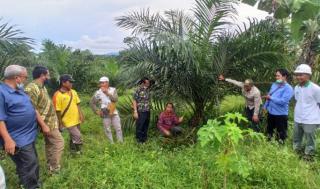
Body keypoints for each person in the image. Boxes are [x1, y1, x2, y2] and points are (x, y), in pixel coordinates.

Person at [0, 65, 40, 188]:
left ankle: (28, 183)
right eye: (25, 77)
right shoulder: (1, 93)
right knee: (29, 164)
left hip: (28, 136)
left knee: (29, 164)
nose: (25, 80)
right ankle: (32, 186)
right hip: (17, 139)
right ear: (17, 78)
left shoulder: (19, 90)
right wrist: (8, 140)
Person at [25, 66, 64, 173]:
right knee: (59, 143)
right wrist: (43, 125)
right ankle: (54, 168)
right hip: (46, 123)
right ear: (42, 75)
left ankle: (50, 165)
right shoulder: (31, 88)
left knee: (50, 144)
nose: (49, 77)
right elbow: (32, 109)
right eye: (48, 75)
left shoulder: (42, 87)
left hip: (51, 121)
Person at [292, 64, 320, 161]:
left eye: (301, 75)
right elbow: (297, 101)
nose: (298, 77)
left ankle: (308, 155)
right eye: (297, 75)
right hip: (298, 117)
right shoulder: (296, 88)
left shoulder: (315, 89)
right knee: (296, 136)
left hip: (310, 119)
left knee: (310, 139)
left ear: (308, 75)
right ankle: (296, 151)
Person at [53, 74, 84, 154]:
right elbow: (57, 111)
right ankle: (78, 151)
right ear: (63, 83)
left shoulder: (73, 92)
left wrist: (81, 114)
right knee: (78, 136)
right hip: (67, 121)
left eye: (72, 82)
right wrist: (60, 123)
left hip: (76, 119)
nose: (71, 84)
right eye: (69, 82)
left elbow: (77, 104)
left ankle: (72, 150)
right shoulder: (57, 95)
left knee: (73, 136)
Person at [263, 69, 293, 143]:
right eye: (276, 76)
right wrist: (265, 106)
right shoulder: (274, 85)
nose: (276, 77)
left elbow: (283, 101)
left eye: (278, 76)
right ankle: (268, 144)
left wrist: (271, 98)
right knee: (269, 131)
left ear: (284, 76)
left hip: (281, 114)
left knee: (281, 133)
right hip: (271, 112)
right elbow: (268, 95)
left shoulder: (288, 88)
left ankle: (280, 146)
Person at [90, 76, 123, 143]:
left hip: (113, 110)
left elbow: (115, 99)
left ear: (107, 83)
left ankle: (120, 143)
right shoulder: (98, 92)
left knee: (118, 128)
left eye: (103, 83)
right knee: (107, 129)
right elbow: (92, 103)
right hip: (104, 111)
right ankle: (111, 143)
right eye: (100, 83)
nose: (101, 84)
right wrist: (96, 111)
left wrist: (107, 93)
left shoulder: (113, 90)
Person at [133, 77, 151, 143]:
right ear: (143, 83)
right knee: (140, 125)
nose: (148, 84)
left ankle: (144, 139)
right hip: (140, 110)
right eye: (147, 83)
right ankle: (139, 141)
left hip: (147, 110)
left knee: (146, 125)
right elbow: (134, 100)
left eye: (149, 83)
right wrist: (135, 111)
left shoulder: (148, 90)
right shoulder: (138, 90)